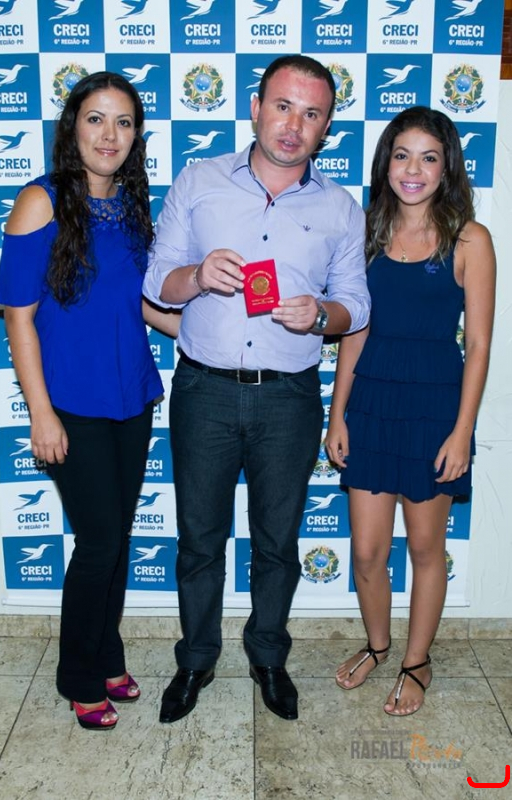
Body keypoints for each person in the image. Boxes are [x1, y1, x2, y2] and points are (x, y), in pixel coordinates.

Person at [143, 54, 370, 723]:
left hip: (289, 398)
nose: (293, 125)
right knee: (199, 540)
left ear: (326, 127)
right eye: (283, 106)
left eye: (312, 113)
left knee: (277, 541)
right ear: (255, 108)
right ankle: (195, 660)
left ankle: (268, 656)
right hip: (205, 390)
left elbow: (355, 305)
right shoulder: (199, 180)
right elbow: (156, 281)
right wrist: (197, 276)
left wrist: (320, 315)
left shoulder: (340, 207)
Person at [0, 71, 179, 730]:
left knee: (115, 540)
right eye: (96, 119)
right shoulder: (39, 201)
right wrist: (41, 413)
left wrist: (214, 333)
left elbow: (142, 304)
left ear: (136, 136)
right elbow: (17, 315)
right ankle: (79, 675)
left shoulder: (131, 206)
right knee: (99, 543)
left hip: (132, 397)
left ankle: (106, 656)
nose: (109, 134)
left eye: (123, 122)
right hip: (71, 403)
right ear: (73, 127)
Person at [325, 106, 495, 716]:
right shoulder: (366, 231)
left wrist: (462, 432)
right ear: (386, 164)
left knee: (425, 548)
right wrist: (337, 414)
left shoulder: (471, 239)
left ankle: (416, 661)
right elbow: (354, 332)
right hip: (371, 404)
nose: (413, 169)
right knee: (367, 552)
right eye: (402, 155)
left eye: (428, 157)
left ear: (447, 166)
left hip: (433, 410)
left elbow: (479, 346)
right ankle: (378, 645)